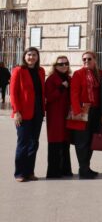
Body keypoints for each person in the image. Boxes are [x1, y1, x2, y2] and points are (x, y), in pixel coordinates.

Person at [11, 47, 46, 182]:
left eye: (34, 55)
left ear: (37, 57)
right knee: (23, 143)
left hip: (38, 112)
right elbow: (13, 93)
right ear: (24, 56)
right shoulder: (19, 70)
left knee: (34, 143)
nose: (31, 57)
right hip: (23, 113)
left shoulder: (40, 71)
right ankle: (19, 173)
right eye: (29, 55)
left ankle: (29, 172)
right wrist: (16, 112)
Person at [68, 51, 101, 179]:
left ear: (95, 60)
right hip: (82, 110)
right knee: (82, 141)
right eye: (84, 59)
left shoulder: (99, 73)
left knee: (91, 140)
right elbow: (74, 93)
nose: (86, 61)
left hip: (95, 111)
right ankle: (83, 168)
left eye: (89, 59)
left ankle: (86, 167)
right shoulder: (78, 74)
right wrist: (77, 112)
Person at [45, 56, 73, 178]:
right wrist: (61, 87)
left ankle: (65, 170)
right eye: (60, 64)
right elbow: (49, 97)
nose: (64, 66)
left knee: (65, 142)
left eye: (66, 63)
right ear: (55, 66)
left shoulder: (69, 78)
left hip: (66, 114)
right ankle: (53, 172)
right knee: (55, 142)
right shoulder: (51, 80)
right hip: (55, 115)